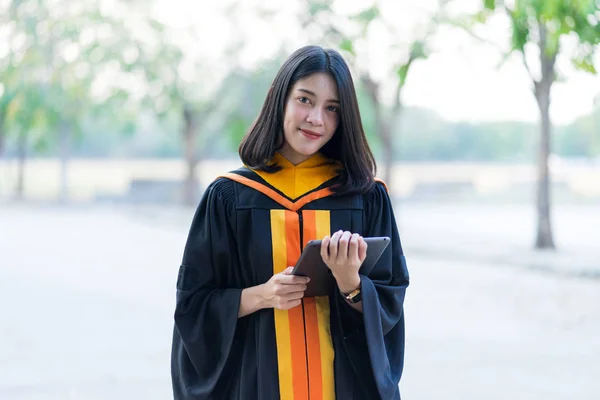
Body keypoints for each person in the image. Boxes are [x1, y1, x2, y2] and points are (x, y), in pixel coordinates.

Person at [171, 45, 409, 400]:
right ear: (280, 99)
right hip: (256, 386)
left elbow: (390, 303)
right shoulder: (230, 197)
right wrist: (260, 295)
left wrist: (351, 284)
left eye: (332, 108)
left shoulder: (366, 198)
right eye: (305, 100)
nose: (316, 118)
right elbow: (193, 308)